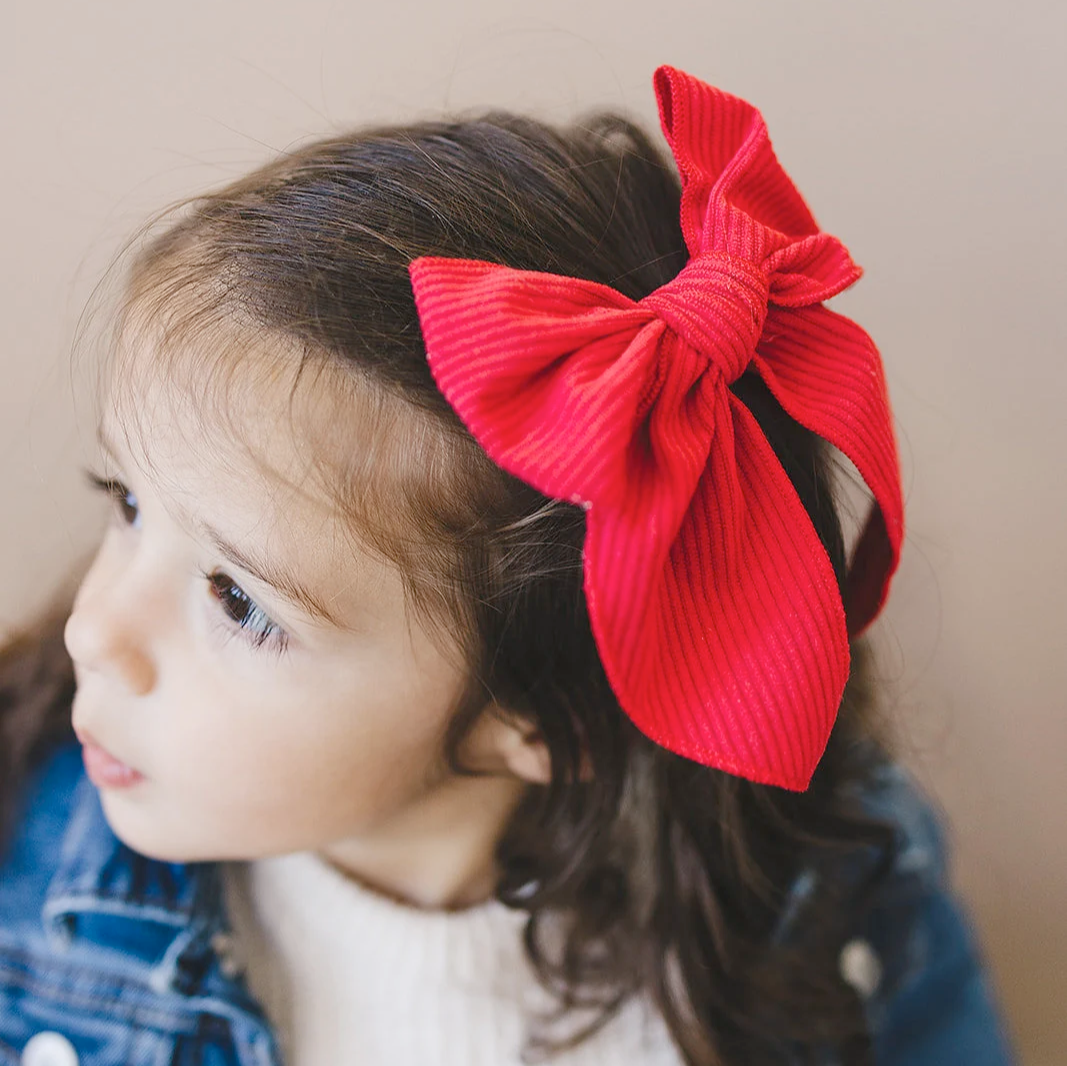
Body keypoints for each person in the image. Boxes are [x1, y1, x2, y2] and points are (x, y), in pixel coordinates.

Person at [0, 65, 1015, 1066]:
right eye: (127, 503)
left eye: (236, 601)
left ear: (548, 718)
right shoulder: (34, 897)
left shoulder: (831, 893)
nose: (96, 630)